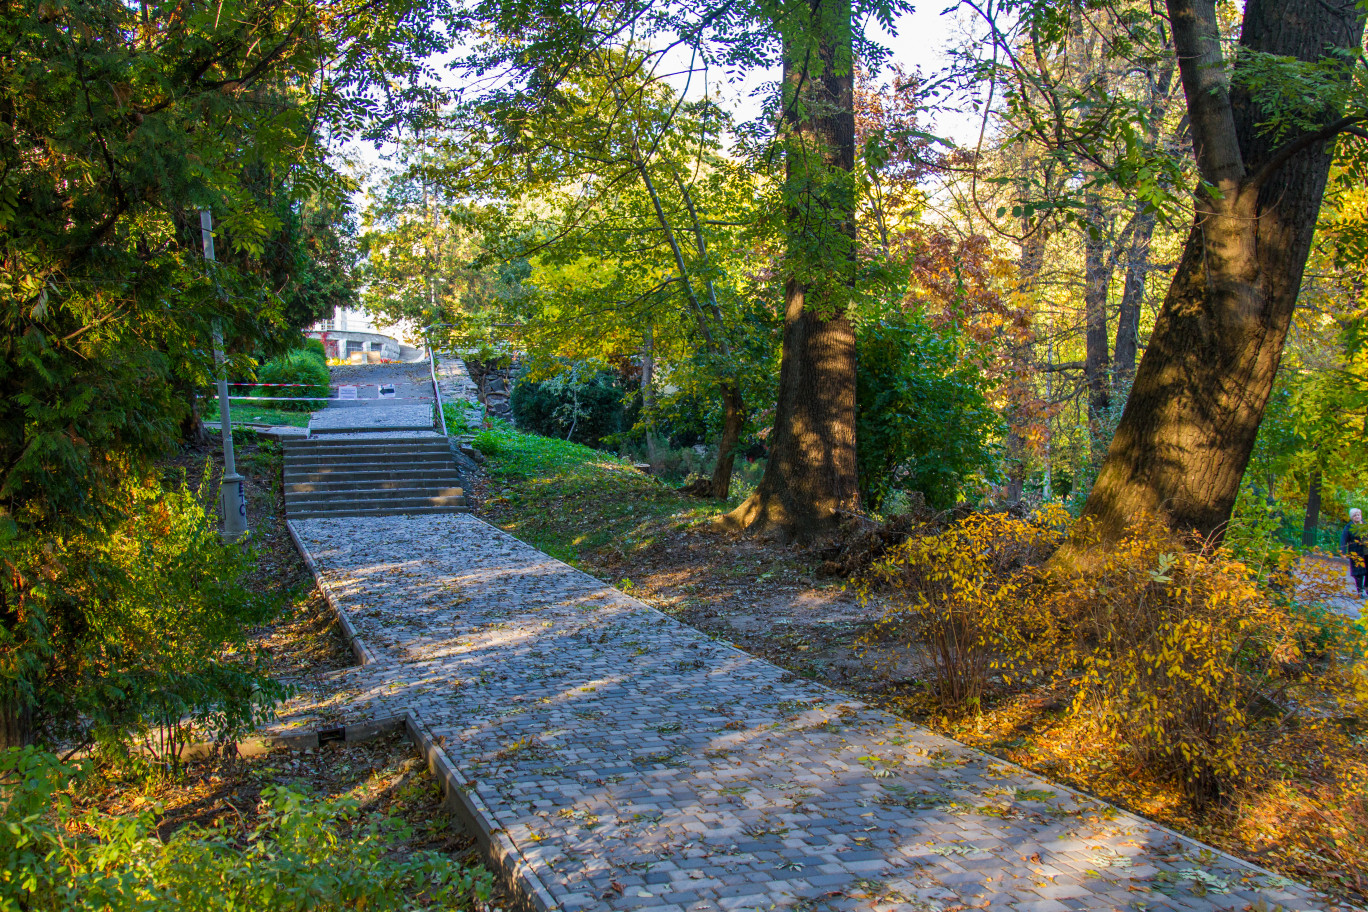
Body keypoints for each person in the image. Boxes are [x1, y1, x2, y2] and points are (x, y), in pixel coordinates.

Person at [1341, 508, 1367, 597]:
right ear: (1352, 517)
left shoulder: (1365, 525)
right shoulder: (1348, 527)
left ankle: (1367, 586)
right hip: (1355, 552)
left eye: (1358, 515)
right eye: (1355, 515)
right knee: (1358, 573)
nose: (1357, 517)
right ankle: (1360, 591)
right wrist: (1343, 552)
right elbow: (1344, 539)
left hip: (1366, 551)